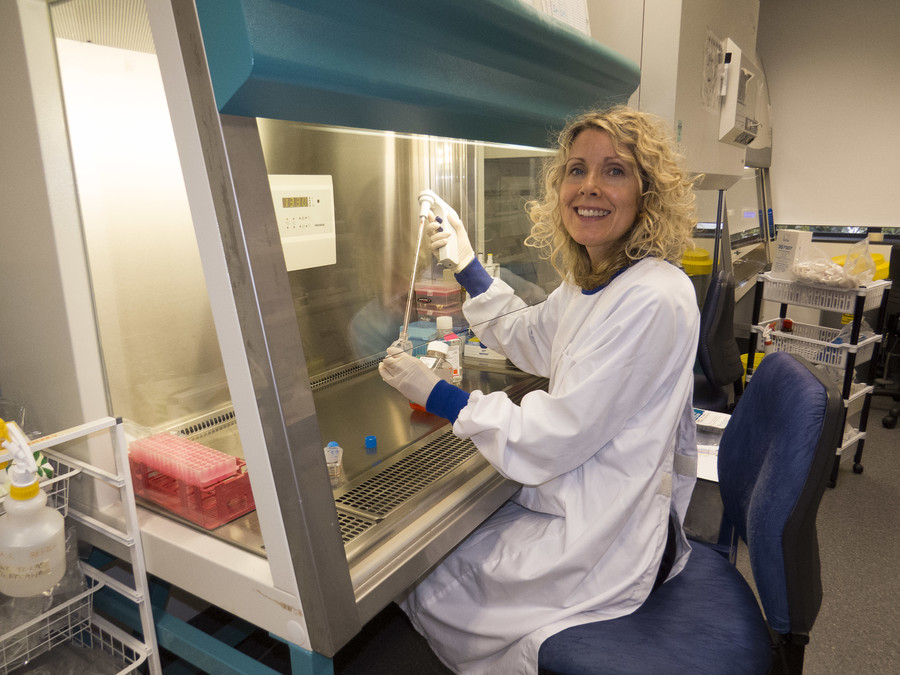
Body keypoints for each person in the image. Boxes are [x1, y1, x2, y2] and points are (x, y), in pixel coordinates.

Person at [379, 106, 701, 674]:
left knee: (428, 577)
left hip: (604, 533)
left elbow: (553, 435)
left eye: (615, 171)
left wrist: (439, 395)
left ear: (649, 192)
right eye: (576, 170)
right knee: (438, 564)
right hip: (576, 497)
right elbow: (529, 336)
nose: (590, 187)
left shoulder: (655, 295)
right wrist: (466, 264)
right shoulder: (595, 279)